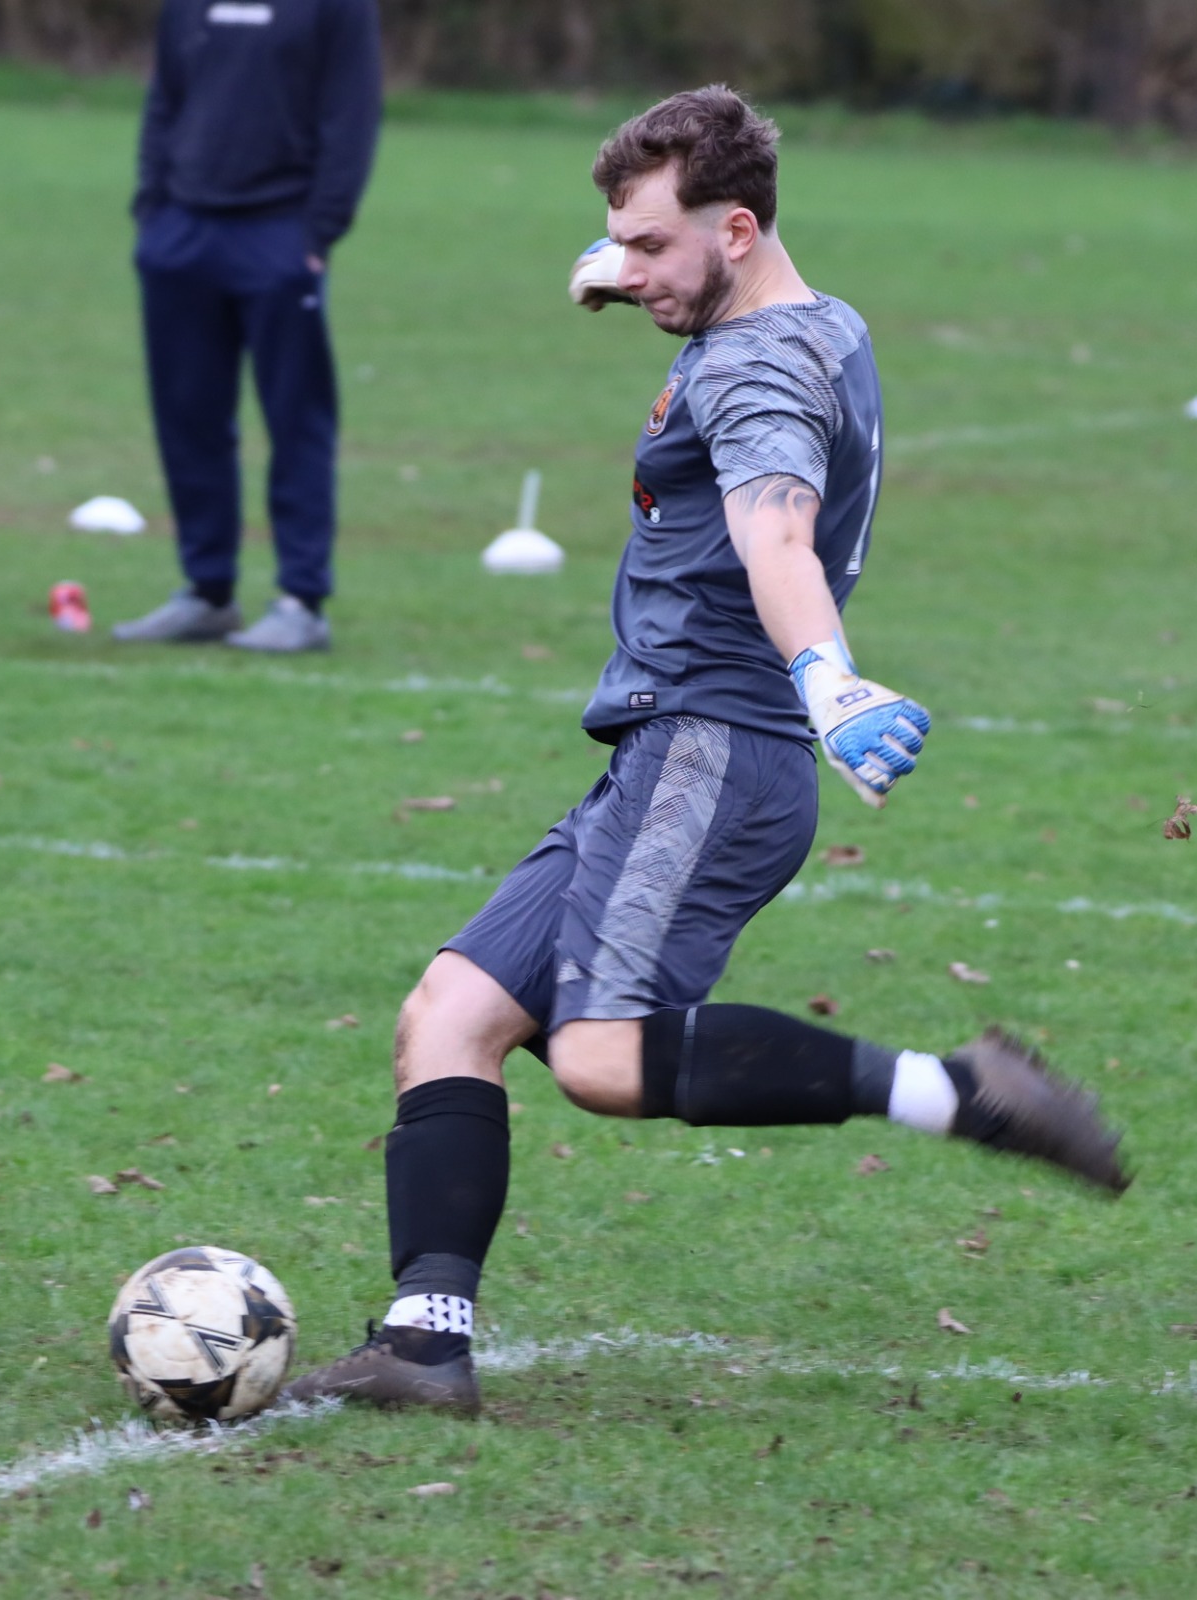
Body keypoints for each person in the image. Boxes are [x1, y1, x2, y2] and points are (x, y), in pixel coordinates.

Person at [289, 86, 1127, 1415]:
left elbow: (776, 536)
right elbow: (690, 290)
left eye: (652, 247)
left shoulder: (759, 375)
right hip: (658, 749)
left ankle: (962, 1092)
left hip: (715, 752)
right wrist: (623, 271)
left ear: (735, 229)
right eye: (620, 244)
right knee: (450, 1014)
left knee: (602, 1060)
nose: (632, 271)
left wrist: (830, 683)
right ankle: (425, 1343)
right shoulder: (803, 311)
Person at [112, 0, 383, 652]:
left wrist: (319, 231)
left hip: (279, 235)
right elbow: (166, 97)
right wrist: (153, 211)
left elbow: (352, 111)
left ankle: (301, 600)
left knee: (296, 420)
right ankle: (207, 592)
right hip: (180, 232)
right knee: (188, 417)